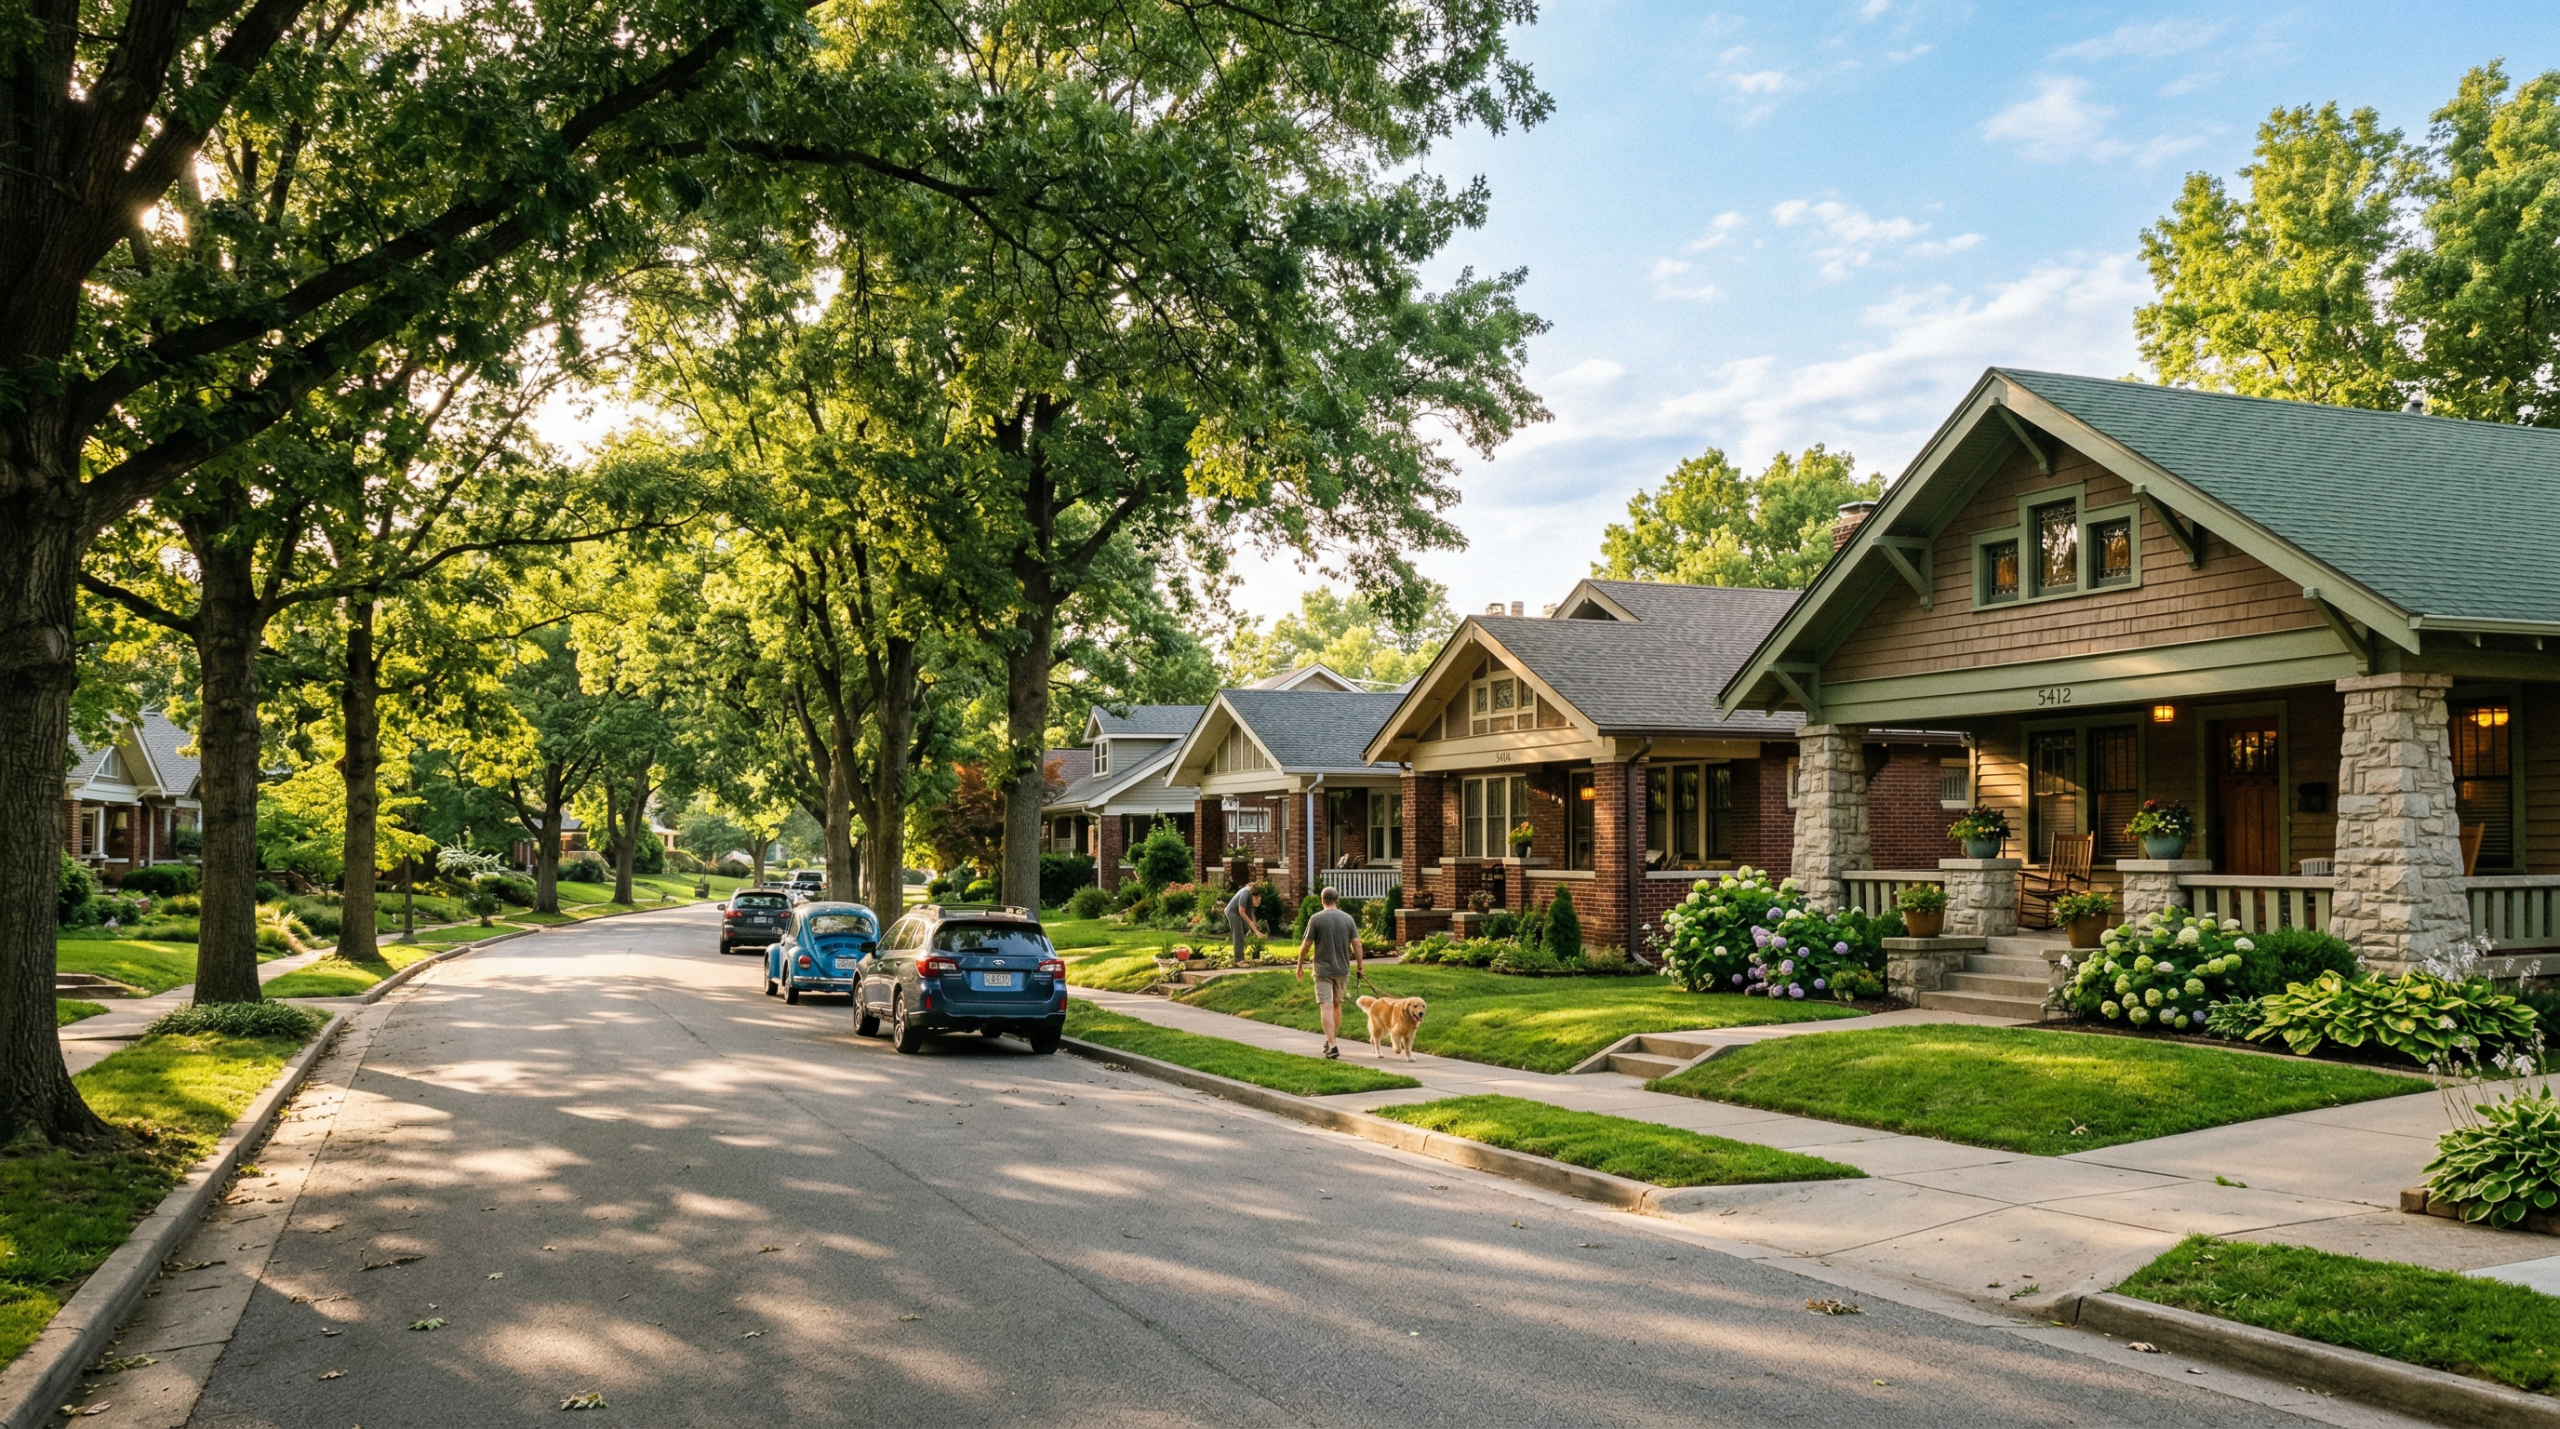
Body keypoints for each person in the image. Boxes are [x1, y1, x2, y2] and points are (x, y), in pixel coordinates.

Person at [1295, 886, 1364, 1059]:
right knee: (1336, 1005)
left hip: (1322, 970)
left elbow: (1306, 945)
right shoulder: (1348, 919)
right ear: (1337, 900)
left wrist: (1299, 965)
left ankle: (1332, 1044)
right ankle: (1331, 1039)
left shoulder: (1316, 919)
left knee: (1325, 1006)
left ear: (1322, 900)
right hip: (1342, 969)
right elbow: (1357, 944)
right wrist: (1360, 966)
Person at [1223, 881, 1264, 964]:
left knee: (1245, 930)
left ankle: (1239, 954)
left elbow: (1251, 913)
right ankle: (1239, 960)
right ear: (1256, 897)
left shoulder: (1251, 894)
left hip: (1237, 913)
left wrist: (1255, 927)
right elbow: (1241, 912)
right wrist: (1256, 932)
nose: (1259, 903)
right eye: (1259, 901)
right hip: (1232, 912)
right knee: (1238, 934)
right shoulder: (1246, 893)